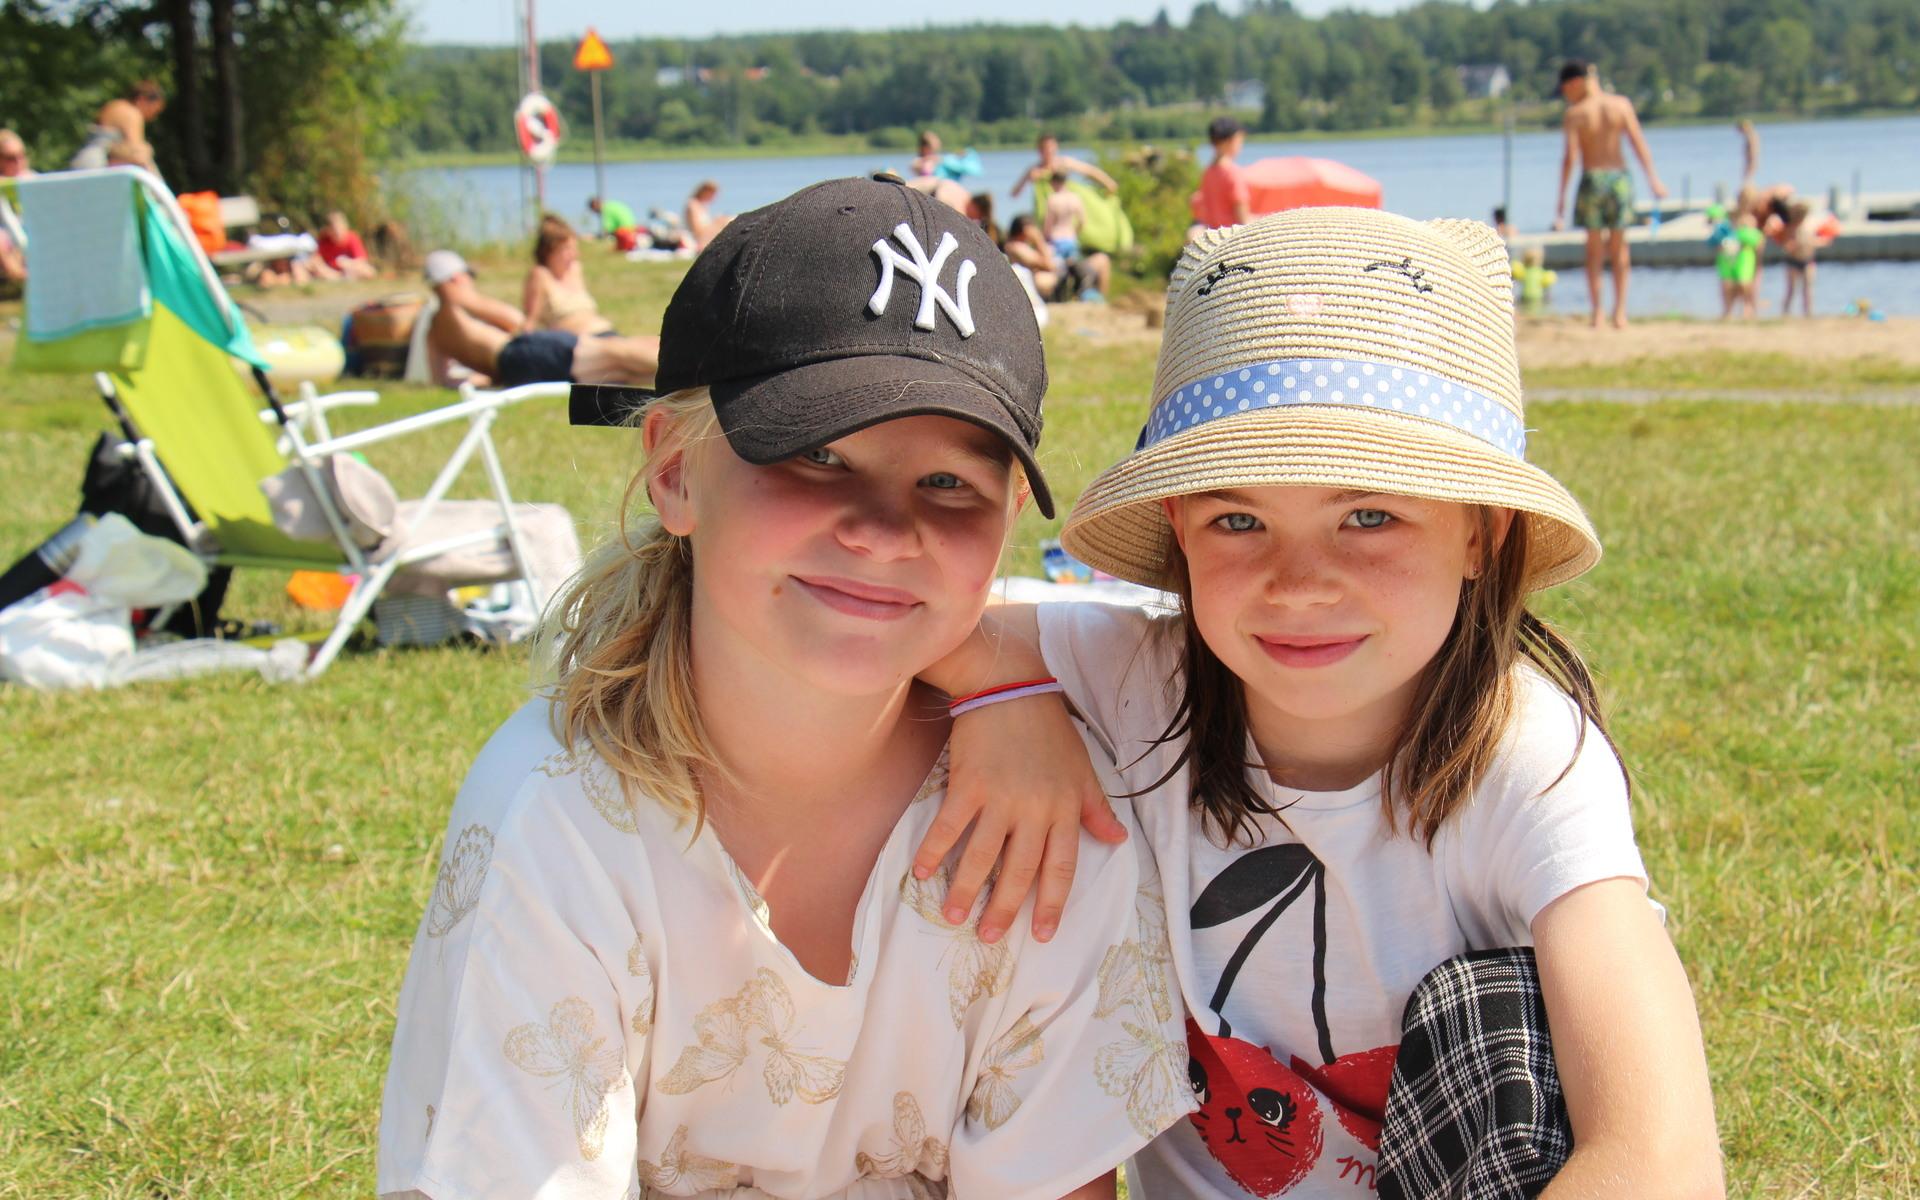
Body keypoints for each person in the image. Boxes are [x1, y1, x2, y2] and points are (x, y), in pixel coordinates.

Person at [377, 176, 1191, 1199]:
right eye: (816, 453)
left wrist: (1004, 689)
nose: (884, 530)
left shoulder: (1044, 835)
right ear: (674, 470)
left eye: (950, 483)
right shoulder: (561, 822)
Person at [915, 208, 1724, 1197]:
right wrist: (1010, 696)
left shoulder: (1527, 758)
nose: (1299, 583)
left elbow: (1658, 1155)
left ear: (1483, 535)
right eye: (1239, 518)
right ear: (1179, 531)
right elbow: (900, 614)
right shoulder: (1134, 676)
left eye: (1369, 515)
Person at [422, 249, 657, 389]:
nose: (470, 281)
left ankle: (678, 376)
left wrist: (482, 380)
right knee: (617, 352)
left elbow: (441, 378)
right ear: (453, 279)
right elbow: (516, 322)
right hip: (524, 352)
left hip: (514, 371)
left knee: (615, 371)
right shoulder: (458, 298)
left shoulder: (433, 330)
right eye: (467, 275)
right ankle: (684, 367)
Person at [1552, 60, 1668, 329]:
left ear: (1575, 83)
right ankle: (1620, 313)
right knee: (1619, 248)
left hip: (1592, 178)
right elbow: (1638, 144)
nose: (1566, 96)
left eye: (1565, 90)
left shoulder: (1576, 113)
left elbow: (1569, 158)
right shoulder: (1621, 105)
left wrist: (1561, 198)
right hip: (1620, 179)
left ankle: (1597, 313)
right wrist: (1653, 179)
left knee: (1594, 250)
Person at [521, 214, 613, 337]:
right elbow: (530, 321)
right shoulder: (540, 275)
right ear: (549, 251)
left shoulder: (575, 270)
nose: (574, 254)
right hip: (576, 344)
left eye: (574, 248)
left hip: (604, 333)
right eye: (567, 249)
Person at [1040, 173, 1111, 303]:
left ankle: (1058, 298)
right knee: (1076, 271)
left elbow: (1048, 225)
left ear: (1054, 182)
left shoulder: (1053, 199)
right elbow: (1082, 221)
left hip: (1056, 239)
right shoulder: (1075, 198)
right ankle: (1079, 295)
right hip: (1071, 240)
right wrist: (1074, 233)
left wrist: (1044, 240)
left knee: (1059, 272)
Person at [71, 80, 165, 172]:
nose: (153, 117)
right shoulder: (131, 113)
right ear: (141, 99)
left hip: (84, 163)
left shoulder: (115, 106)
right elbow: (137, 153)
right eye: (155, 111)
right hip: (98, 168)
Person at [1190, 115, 1252, 232]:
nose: (1240, 147)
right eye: (1239, 142)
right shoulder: (1233, 173)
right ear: (1229, 141)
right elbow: (1243, 219)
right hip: (1231, 237)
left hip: (1214, 235)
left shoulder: (1208, 172)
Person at [1011, 132, 1117, 199]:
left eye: (1051, 147)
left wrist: (1109, 183)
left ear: (1056, 147)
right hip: (1046, 212)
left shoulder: (1064, 163)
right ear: (1039, 150)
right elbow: (1014, 193)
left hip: (1066, 209)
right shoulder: (1034, 169)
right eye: (1045, 148)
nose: (1048, 151)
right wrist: (1028, 180)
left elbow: (1090, 171)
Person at [0, 129, 31, 283]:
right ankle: (23, 279)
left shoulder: (34, 180)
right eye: (11, 158)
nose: (18, 161)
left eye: (21, 155)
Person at [316, 210, 377, 280]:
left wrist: (347, 263)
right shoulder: (323, 241)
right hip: (330, 271)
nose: (337, 231)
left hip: (349, 268)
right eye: (334, 228)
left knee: (368, 270)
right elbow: (316, 260)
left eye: (339, 227)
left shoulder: (352, 238)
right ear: (328, 230)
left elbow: (361, 260)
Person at [685, 179, 732, 250]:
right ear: (705, 192)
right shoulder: (693, 205)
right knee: (726, 220)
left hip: (704, 236)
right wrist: (716, 222)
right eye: (712, 194)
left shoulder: (703, 206)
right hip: (699, 238)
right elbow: (697, 230)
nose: (714, 197)